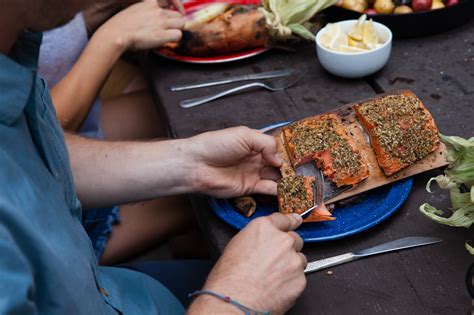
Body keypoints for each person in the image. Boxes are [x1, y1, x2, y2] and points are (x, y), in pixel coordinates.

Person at [0, 0, 307, 313]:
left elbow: (34, 162)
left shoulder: (12, 45)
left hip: (115, 291)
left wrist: (193, 162)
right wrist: (234, 301)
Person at [38, 0, 196, 264]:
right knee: (209, 200)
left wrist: (104, 7)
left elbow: (49, 46)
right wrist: (113, 37)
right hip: (47, 211)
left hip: (73, 137)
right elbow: (33, 139)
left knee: (194, 116)